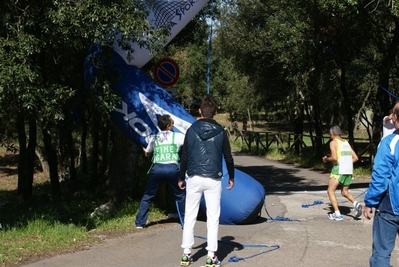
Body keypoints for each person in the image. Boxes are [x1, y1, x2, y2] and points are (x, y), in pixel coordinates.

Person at [178, 95, 234, 267]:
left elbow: (185, 157)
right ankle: (211, 255)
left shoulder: (191, 130)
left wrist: (181, 177)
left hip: (193, 177)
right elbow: (228, 157)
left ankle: (186, 254)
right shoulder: (221, 132)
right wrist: (231, 177)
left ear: (200, 111)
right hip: (213, 178)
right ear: (215, 113)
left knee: (190, 216)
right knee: (213, 217)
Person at [364, 103, 399, 267]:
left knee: (382, 254)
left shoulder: (389, 142)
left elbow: (380, 176)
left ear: (396, 119)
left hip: (390, 207)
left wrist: (370, 202)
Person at [135, 114, 185, 228]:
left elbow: (147, 152)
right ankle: (185, 221)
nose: (174, 125)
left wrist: (144, 149)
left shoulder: (155, 137)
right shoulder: (178, 137)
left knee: (148, 195)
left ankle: (140, 223)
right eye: (172, 123)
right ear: (168, 126)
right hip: (172, 168)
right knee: (180, 195)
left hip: (157, 169)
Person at [322, 125, 362, 221]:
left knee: (330, 191)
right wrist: (347, 162)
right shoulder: (346, 142)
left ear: (332, 134)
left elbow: (335, 158)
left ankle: (337, 214)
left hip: (338, 169)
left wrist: (326, 159)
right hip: (348, 170)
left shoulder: (333, 143)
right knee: (344, 192)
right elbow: (356, 158)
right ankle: (355, 203)